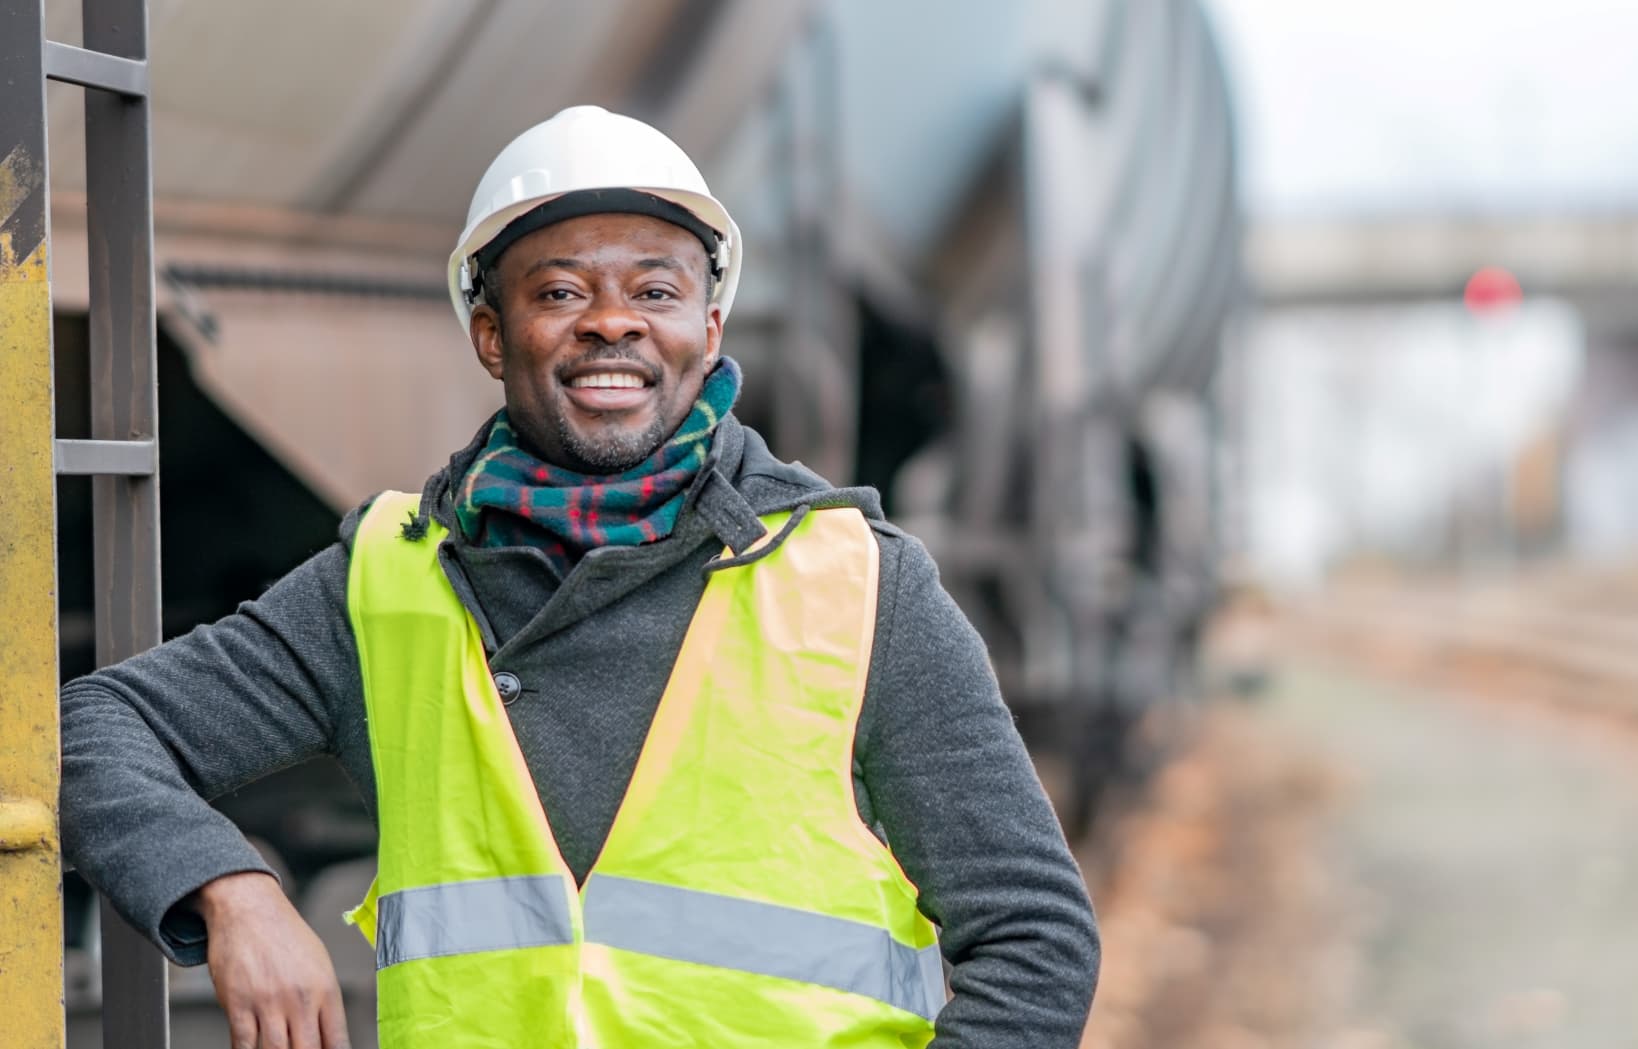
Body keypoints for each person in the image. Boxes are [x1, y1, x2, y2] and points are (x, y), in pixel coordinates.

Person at [60, 105, 1099, 1049]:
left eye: (656, 288)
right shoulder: (387, 583)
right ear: (490, 332)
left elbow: (1034, 937)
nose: (613, 321)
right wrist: (230, 886)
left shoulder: (859, 585)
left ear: (709, 329)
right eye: (561, 292)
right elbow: (87, 727)